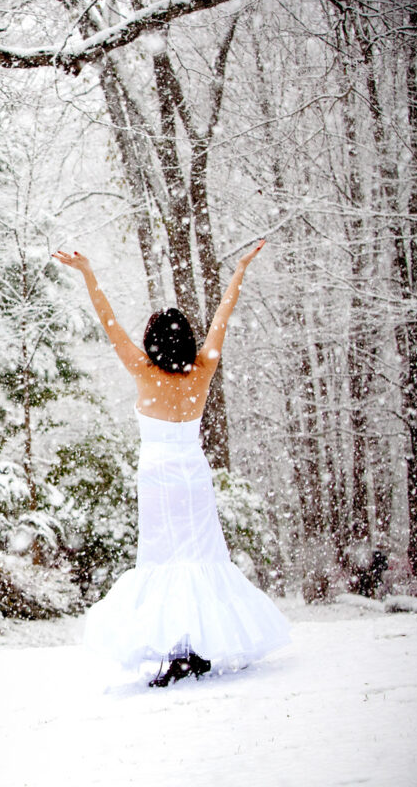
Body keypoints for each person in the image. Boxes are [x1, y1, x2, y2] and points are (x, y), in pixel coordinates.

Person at [52, 241, 289, 687]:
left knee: (164, 560)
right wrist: (238, 271)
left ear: (152, 342)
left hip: (159, 478)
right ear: (187, 341)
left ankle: (180, 650)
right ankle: (194, 649)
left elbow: (110, 325)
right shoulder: (202, 372)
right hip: (194, 475)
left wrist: (88, 274)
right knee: (200, 556)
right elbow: (223, 316)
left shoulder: (143, 371)